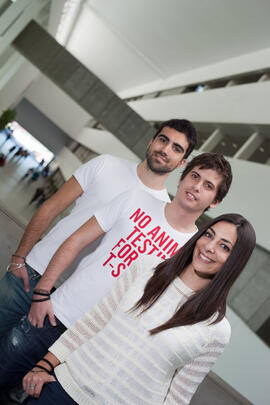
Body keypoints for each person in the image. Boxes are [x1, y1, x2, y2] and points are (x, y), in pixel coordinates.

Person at [0, 152, 232, 393]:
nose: (196, 186)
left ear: (214, 201)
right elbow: (77, 240)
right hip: (55, 315)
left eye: (208, 185)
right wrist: (42, 292)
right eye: (194, 176)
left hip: (90, 348)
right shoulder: (135, 198)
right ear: (182, 177)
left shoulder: (192, 250)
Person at [21, 213, 256, 405]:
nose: (209, 247)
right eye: (208, 235)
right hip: (61, 390)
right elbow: (93, 322)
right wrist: (44, 365)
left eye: (224, 246)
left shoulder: (216, 329)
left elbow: (177, 397)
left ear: (234, 261)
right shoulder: (146, 267)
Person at [0, 118, 197, 336]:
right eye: (163, 140)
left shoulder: (161, 210)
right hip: (34, 270)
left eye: (176, 148)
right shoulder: (106, 164)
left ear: (182, 163)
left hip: (67, 304)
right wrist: (19, 258)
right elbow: (50, 208)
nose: (165, 149)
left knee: (12, 366)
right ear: (151, 141)